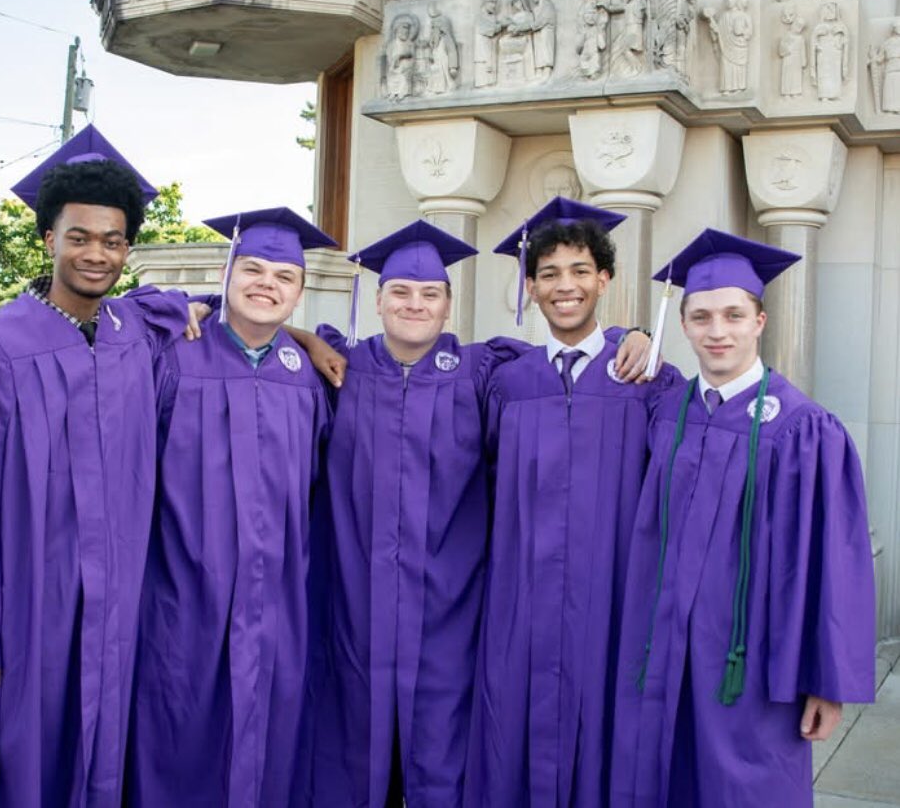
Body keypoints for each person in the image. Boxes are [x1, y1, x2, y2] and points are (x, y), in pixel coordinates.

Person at [0, 125, 191, 808]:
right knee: (22, 762)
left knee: (111, 759)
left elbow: (213, 320)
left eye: (113, 240)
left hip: (120, 608)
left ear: (128, 248)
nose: (97, 253)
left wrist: (301, 337)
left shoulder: (137, 340)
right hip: (27, 604)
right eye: (80, 236)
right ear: (48, 239)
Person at [611, 229, 876, 807]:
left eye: (734, 314)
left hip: (751, 659)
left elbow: (837, 561)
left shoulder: (804, 429)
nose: (717, 330)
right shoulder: (666, 410)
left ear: (760, 321)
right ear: (683, 325)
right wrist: (628, 332)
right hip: (663, 647)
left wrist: (827, 682)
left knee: (746, 788)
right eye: (701, 316)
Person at [300, 221, 530, 808]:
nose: (414, 304)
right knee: (351, 740)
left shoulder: (484, 373)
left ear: (449, 305)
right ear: (376, 300)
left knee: (442, 747)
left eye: (430, 294)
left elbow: (567, 366)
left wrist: (632, 337)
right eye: (400, 291)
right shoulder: (338, 371)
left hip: (451, 610)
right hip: (354, 604)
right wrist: (299, 334)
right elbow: (231, 328)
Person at [464, 197, 681, 808]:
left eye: (581, 271)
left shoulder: (645, 379)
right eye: (550, 274)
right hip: (520, 602)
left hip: (610, 601)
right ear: (529, 287)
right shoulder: (506, 380)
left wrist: (635, 334)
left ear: (604, 279)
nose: (567, 286)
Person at [124, 207, 334, 808]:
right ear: (226, 273)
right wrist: (179, 303)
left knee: (268, 739)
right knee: (179, 733)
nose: (267, 283)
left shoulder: (308, 379)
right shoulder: (172, 356)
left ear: (299, 291)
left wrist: (309, 340)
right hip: (183, 596)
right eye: (253, 269)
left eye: (284, 276)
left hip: (277, 606)